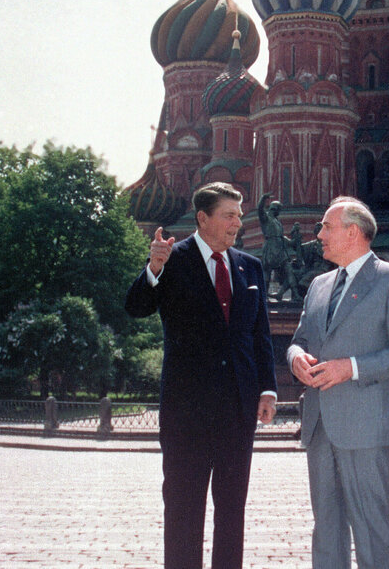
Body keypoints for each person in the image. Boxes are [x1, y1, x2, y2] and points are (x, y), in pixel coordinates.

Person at [125, 182, 277, 569]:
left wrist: (268, 390)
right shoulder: (172, 259)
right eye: (229, 215)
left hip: (238, 413)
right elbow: (136, 306)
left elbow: (259, 336)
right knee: (183, 510)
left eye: (240, 216)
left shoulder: (250, 266)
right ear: (203, 219)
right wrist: (153, 268)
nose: (237, 224)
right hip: (187, 413)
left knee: (232, 513)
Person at [287, 196, 389, 569]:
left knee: (371, 528)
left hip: (367, 428)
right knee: (326, 529)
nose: (318, 235)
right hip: (319, 427)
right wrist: (296, 358)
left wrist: (350, 368)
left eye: (326, 227)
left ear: (353, 232)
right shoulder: (317, 284)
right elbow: (299, 340)